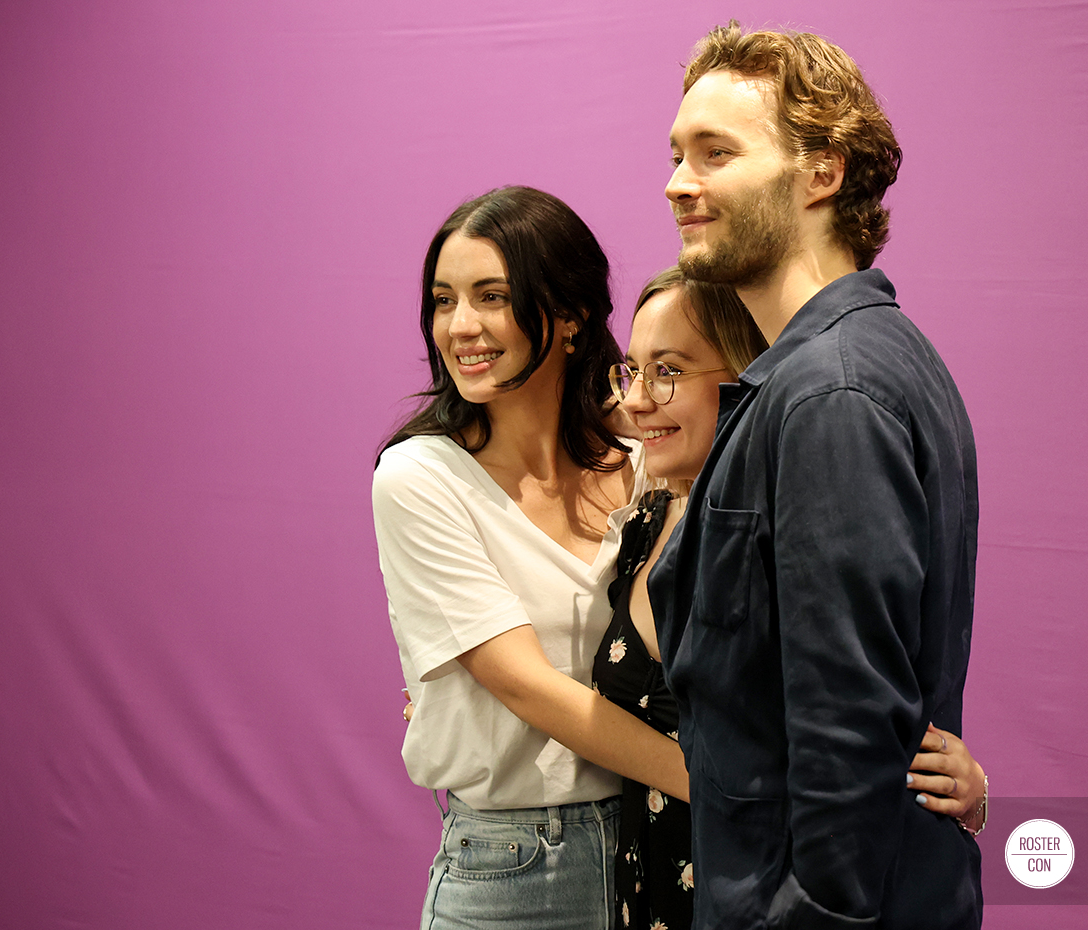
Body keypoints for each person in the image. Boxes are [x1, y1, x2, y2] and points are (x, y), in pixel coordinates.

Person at [374, 186, 984, 929]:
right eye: (443, 300)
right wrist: (748, 791)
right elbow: (532, 688)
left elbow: (832, 654)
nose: (461, 325)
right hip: (521, 860)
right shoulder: (421, 478)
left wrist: (926, 772)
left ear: (568, 318)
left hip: (677, 850)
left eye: (492, 295)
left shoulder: (648, 468)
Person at [649, 23, 984, 930]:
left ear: (822, 172)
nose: (680, 183)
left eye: (716, 153)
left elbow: (850, 730)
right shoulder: (842, 367)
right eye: (678, 154)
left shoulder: (829, 392)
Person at [594, 269, 988, 930]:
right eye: (631, 371)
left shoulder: (810, 472)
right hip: (654, 890)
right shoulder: (640, 523)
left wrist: (952, 788)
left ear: (744, 377)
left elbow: (848, 704)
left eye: (667, 371)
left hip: (756, 896)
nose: (637, 400)